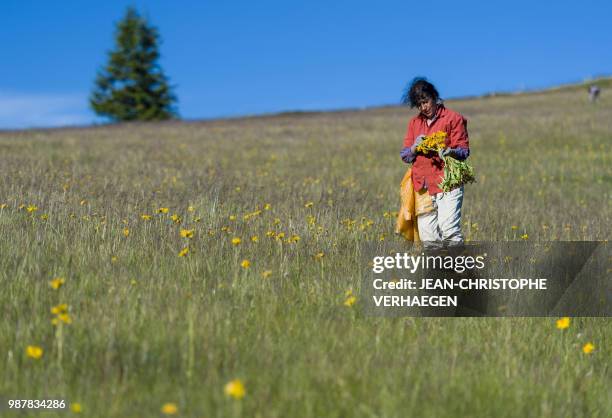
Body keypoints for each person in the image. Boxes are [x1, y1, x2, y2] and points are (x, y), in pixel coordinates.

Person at [399, 78, 470, 247]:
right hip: (422, 185)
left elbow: (464, 151)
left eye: (426, 101)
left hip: (448, 182)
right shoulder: (414, 123)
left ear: (434, 97)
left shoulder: (453, 119)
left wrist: (450, 151)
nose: (424, 107)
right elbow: (405, 155)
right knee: (429, 239)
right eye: (419, 104)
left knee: (449, 231)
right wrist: (415, 147)